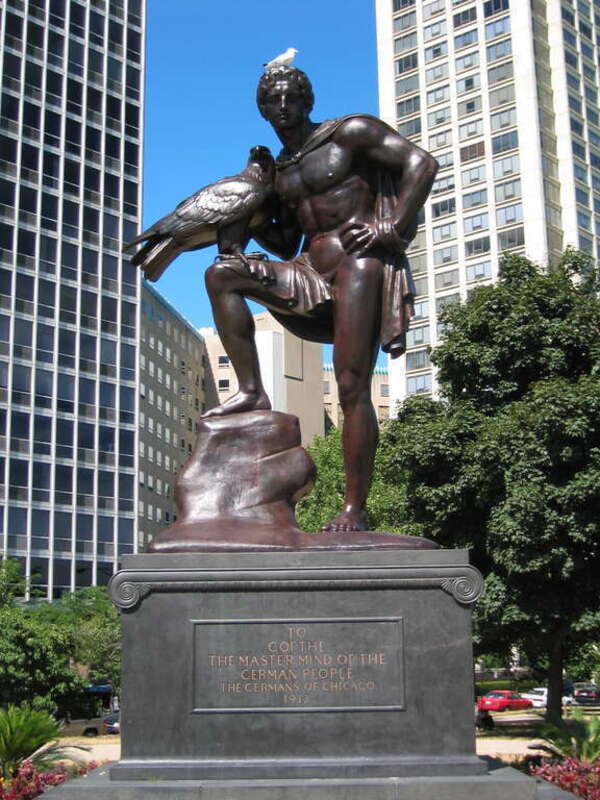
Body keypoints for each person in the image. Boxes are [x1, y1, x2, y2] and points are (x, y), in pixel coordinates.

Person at [203, 66, 438, 533]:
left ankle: (355, 507)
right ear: (263, 110)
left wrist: (390, 226)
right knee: (222, 274)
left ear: (307, 101)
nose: (283, 107)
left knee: (352, 386)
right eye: (273, 100)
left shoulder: (349, 133)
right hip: (309, 270)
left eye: (291, 97)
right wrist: (243, 221)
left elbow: (421, 163)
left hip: (359, 264)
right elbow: (286, 242)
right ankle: (251, 389)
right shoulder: (281, 170)